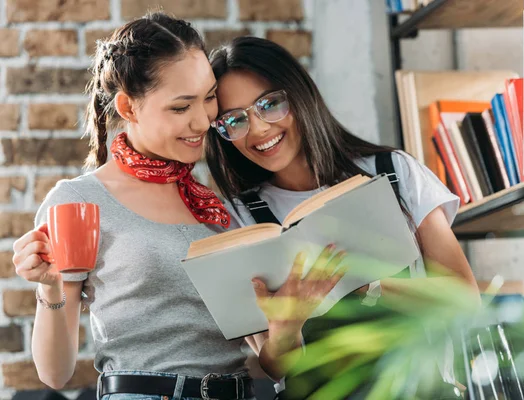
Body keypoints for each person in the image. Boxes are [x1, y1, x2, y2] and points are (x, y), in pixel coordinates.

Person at [10, 13, 345, 400]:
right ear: (129, 108)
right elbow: (55, 373)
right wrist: (50, 289)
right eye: (181, 107)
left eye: (207, 98)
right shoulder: (79, 202)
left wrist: (287, 330)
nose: (203, 121)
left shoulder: (215, 208)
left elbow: (271, 360)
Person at [204, 36, 480, 397]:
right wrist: (286, 328)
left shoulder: (394, 173)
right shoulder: (239, 220)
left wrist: (366, 283)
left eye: (270, 104)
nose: (258, 129)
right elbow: (274, 366)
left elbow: (466, 299)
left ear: (300, 94)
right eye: (234, 120)